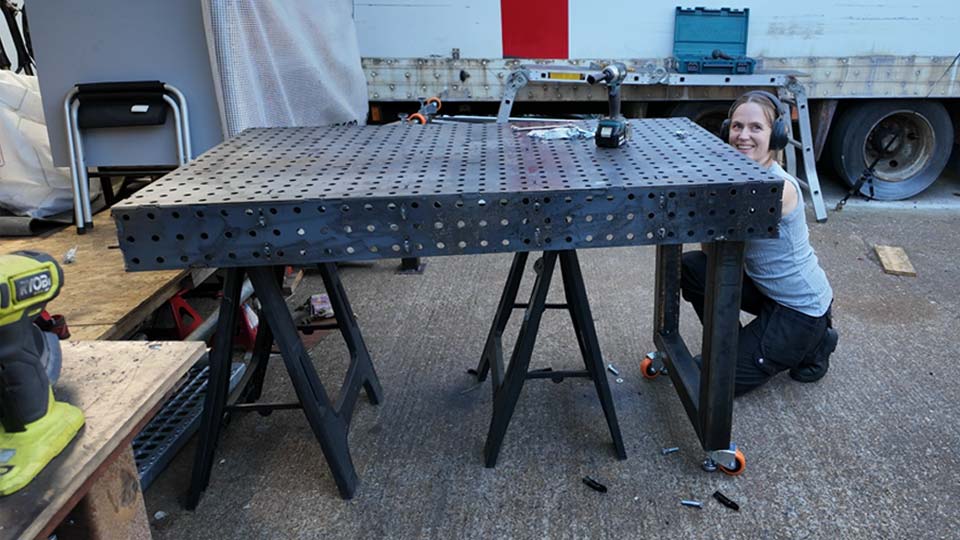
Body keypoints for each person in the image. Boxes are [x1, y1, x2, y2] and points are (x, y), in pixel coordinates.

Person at [680, 91, 838, 396]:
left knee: (716, 385)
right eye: (737, 126)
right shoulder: (739, 175)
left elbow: (716, 230)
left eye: (756, 128)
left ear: (776, 135)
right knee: (693, 268)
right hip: (766, 291)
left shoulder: (780, 189)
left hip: (799, 308)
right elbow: (709, 249)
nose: (743, 136)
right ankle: (733, 347)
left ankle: (817, 343)